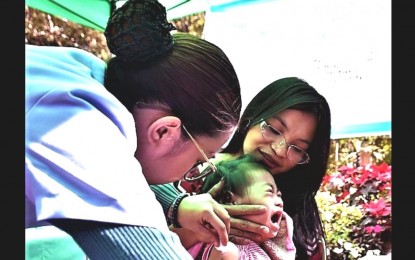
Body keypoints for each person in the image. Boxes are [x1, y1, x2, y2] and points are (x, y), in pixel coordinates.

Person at [25, 0, 252, 258]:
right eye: (197, 163)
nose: (189, 174)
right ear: (165, 132)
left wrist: (176, 203)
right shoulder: (78, 128)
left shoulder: (82, 72)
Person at [151, 76, 331, 259]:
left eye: (298, 148)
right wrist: (184, 214)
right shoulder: (190, 170)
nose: (279, 149)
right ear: (252, 117)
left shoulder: (297, 218)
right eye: (274, 129)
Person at [172, 154, 296, 260]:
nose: (280, 202)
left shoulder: (266, 248)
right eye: (269, 192)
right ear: (229, 200)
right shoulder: (225, 250)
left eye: (279, 195)